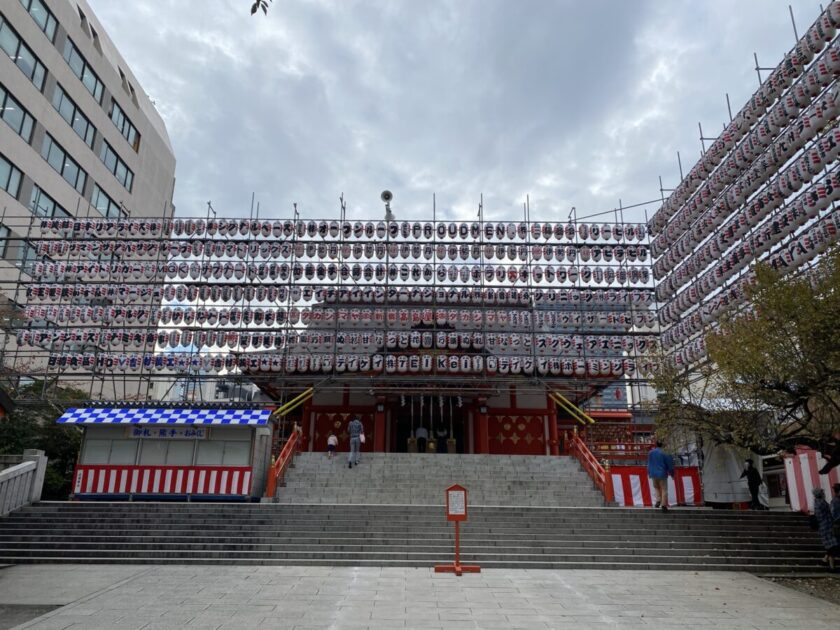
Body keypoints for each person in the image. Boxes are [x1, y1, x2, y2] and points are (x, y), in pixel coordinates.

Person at [812, 488, 840, 571]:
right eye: (823, 492)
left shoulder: (816, 503)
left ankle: (825, 560)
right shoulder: (822, 503)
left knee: (831, 546)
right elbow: (830, 510)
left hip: (823, 527)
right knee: (832, 547)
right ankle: (831, 567)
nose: (824, 494)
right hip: (827, 527)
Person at [647, 440, 674, 511]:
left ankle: (658, 500)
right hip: (662, 473)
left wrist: (649, 472)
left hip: (653, 473)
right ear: (663, 445)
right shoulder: (665, 452)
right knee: (664, 489)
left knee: (656, 487)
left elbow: (649, 464)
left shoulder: (651, 452)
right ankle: (663, 504)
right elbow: (670, 464)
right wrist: (672, 473)